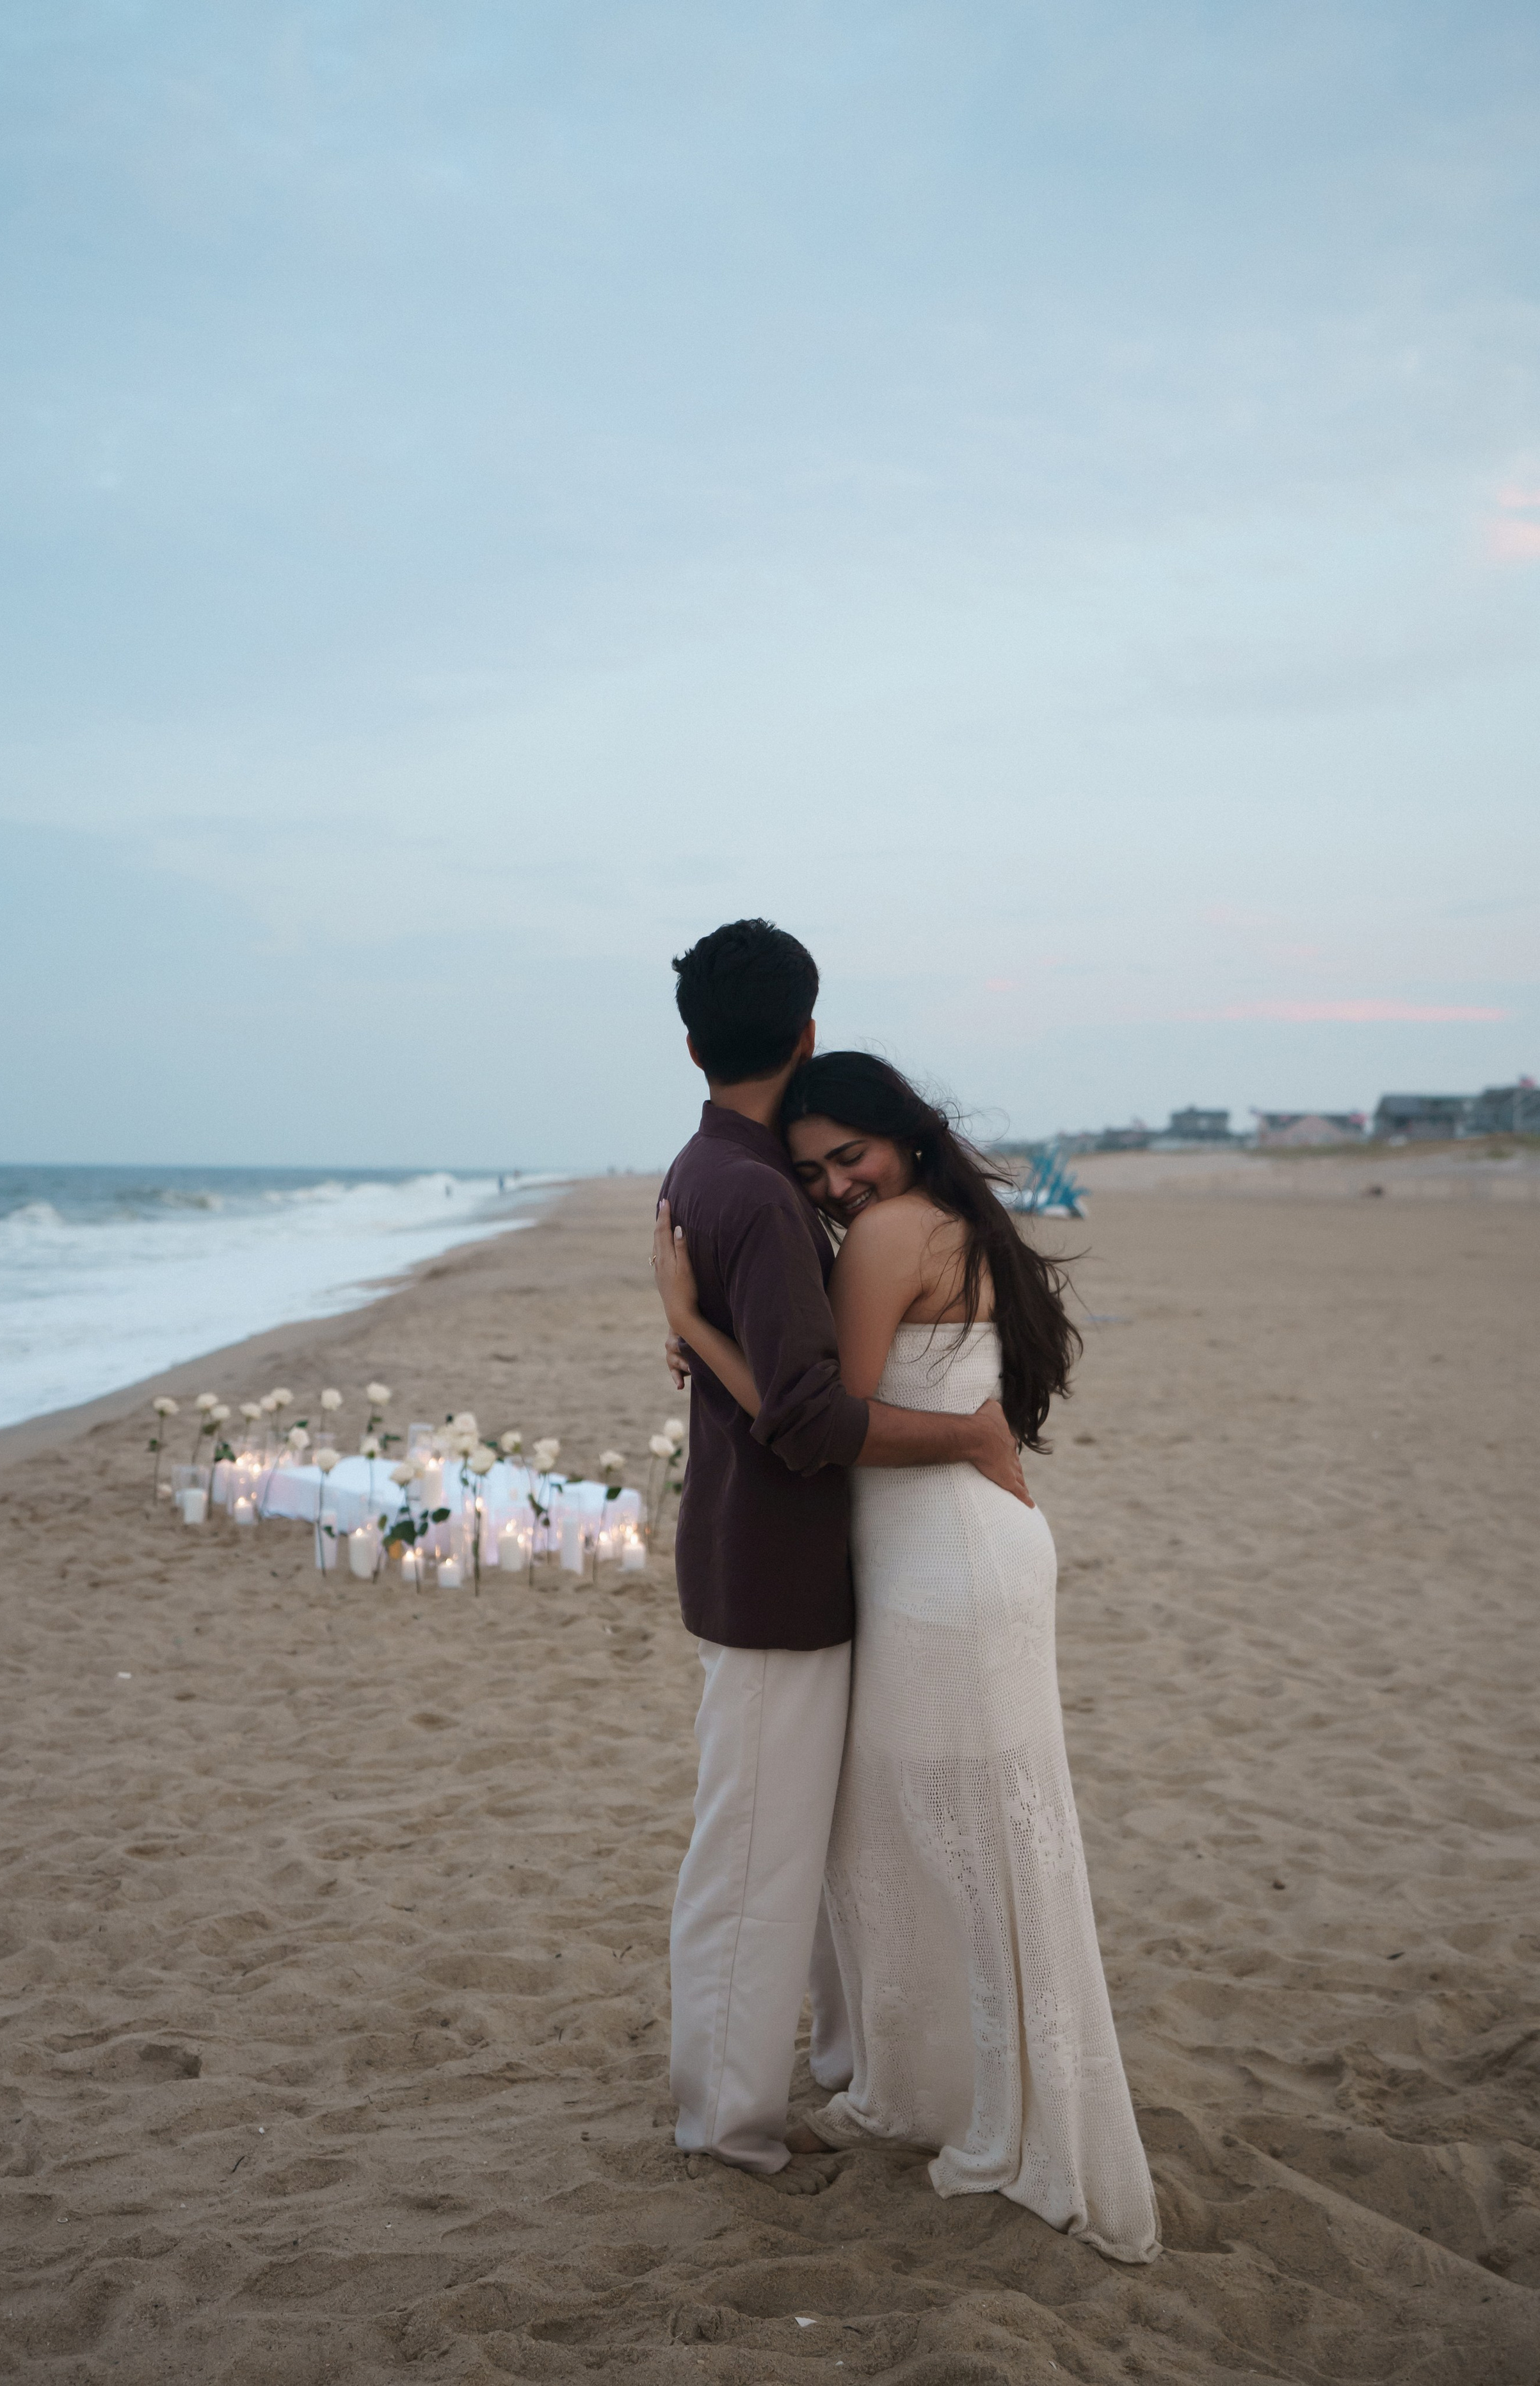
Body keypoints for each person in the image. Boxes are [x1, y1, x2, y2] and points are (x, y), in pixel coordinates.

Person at [655, 1046, 1161, 2264]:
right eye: (814, 1167)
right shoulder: (957, 1225)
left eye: (852, 1157)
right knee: (949, 1833)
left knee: (956, 1836)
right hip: (962, 1554)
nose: (832, 1184)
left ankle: (997, 2106)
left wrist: (695, 1330)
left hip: (943, 1567)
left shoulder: (891, 1238)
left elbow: (814, 1421)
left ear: (911, 1141)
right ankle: (955, 2087)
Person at [659, 921, 1033, 2185]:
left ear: (692, 1042)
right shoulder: (762, 1195)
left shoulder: (708, 1171)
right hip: (774, 1571)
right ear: (807, 1034)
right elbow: (809, 1414)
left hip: (764, 1556)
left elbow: (770, 1371)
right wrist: (973, 1435)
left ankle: (820, 2071)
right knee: (754, 1859)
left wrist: (691, 1336)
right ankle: (723, 2121)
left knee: (788, 1853)